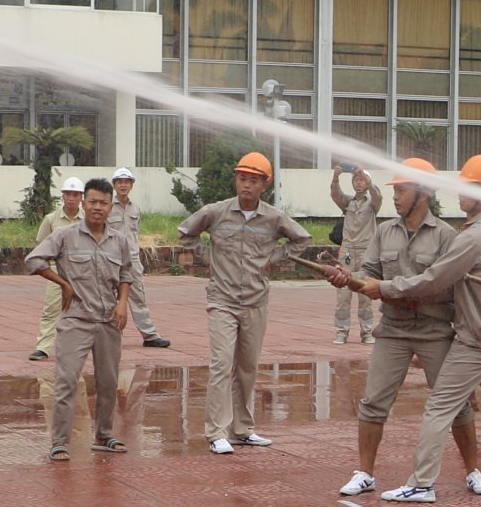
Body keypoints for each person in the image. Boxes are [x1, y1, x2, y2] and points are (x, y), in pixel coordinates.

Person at [341, 154, 481, 502]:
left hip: (478, 338)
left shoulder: (471, 238)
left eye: (466, 189)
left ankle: (421, 483)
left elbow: (435, 279)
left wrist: (386, 289)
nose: (459, 195)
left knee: (440, 406)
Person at [330, 159, 480, 497]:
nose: (396, 196)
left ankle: (473, 471)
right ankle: (365, 473)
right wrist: (347, 278)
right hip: (393, 330)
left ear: (423, 193)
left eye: (402, 189)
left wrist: (389, 288)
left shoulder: (446, 236)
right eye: (395, 190)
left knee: (456, 404)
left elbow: (441, 283)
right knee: (373, 402)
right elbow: (369, 275)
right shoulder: (384, 231)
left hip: (434, 329)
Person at [176, 151, 310, 453]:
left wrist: (274, 259)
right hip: (222, 299)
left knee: (247, 367)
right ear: (235, 180)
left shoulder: (274, 218)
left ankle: (243, 429)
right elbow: (186, 232)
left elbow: (302, 240)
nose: (246, 185)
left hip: (255, 300)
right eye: (242, 179)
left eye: (253, 180)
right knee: (222, 363)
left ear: (265, 184)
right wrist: (207, 258)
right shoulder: (217, 212)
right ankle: (216, 432)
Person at [25, 177, 137, 459]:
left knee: (109, 382)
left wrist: (123, 304)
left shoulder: (119, 241)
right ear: (83, 203)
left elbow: (126, 274)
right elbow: (33, 261)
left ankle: (104, 435)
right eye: (93, 202)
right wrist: (63, 283)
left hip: (109, 320)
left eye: (103, 202)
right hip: (76, 319)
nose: (97, 207)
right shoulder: (65, 236)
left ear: (111, 206)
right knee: (67, 380)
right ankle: (59, 441)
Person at [105, 168, 174, 349]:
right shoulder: (107, 207)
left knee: (138, 299)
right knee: (110, 299)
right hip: (111, 260)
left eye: (126, 182)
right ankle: (112, 336)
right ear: (114, 185)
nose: (123, 185)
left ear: (132, 185)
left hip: (132, 261)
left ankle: (149, 335)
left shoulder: (136, 209)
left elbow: (136, 233)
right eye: (119, 182)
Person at [29, 176, 87, 361]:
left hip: (82, 271)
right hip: (58, 272)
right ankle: (43, 347)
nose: (71, 198)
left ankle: (81, 346)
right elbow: (42, 244)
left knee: (85, 309)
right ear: (62, 196)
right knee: (51, 309)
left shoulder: (87, 219)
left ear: (81, 197)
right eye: (68, 194)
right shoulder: (51, 219)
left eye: (76, 194)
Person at [329, 165, 381, 344]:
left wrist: (370, 182)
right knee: (343, 293)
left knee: (365, 293)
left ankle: (367, 331)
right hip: (348, 251)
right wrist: (335, 179)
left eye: (362, 180)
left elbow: (377, 197)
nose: (358, 183)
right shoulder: (348, 202)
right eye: (356, 180)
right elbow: (336, 195)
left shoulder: (372, 203)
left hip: (366, 251)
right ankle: (341, 331)